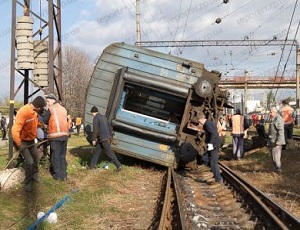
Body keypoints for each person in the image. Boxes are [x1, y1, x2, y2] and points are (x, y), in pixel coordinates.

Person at [11, 96, 46, 192]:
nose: (42, 109)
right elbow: (14, 131)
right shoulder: (23, 112)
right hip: (22, 141)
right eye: (42, 107)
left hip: (31, 141)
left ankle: (35, 176)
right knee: (29, 162)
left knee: (35, 158)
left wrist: (41, 125)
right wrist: (20, 145)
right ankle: (27, 184)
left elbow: (33, 123)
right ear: (38, 107)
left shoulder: (35, 112)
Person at [43, 94, 69, 181]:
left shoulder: (51, 109)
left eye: (48, 101)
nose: (47, 103)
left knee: (55, 156)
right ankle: (64, 175)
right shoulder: (63, 109)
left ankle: (57, 175)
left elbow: (45, 120)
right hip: (64, 136)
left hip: (55, 136)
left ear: (52, 100)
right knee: (62, 156)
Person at [89, 106, 122, 171]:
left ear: (92, 112)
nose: (91, 115)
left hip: (103, 138)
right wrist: (109, 136)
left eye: (91, 114)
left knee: (109, 152)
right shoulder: (104, 117)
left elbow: (95, 129)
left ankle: (118, 166)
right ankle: (92, 166)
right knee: (97, 152)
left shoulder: (96, 118)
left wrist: (93, 139)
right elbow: (109, 127)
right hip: (105, 137)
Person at [198, 113, 223, 183]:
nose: (199, 123)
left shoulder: (207, 124)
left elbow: (214, 134)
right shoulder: (209, 122)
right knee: (205, 158)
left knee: (213, 162)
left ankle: (218, 179)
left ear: (202, 119)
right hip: (215, 143)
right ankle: (217, 169)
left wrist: (211, 144)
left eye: (199, 121)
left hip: (214, 144)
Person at [268, 107, 285, 173]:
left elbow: (280, 130)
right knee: (273, 156)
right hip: (272, 140)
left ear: (274, 112)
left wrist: (279, 140)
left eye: (271, 112)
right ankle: (275, 169)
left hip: (276, 141)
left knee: (276, 157)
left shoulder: (278, 118)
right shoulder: (273, 118)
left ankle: (278, 169)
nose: (270, 113)